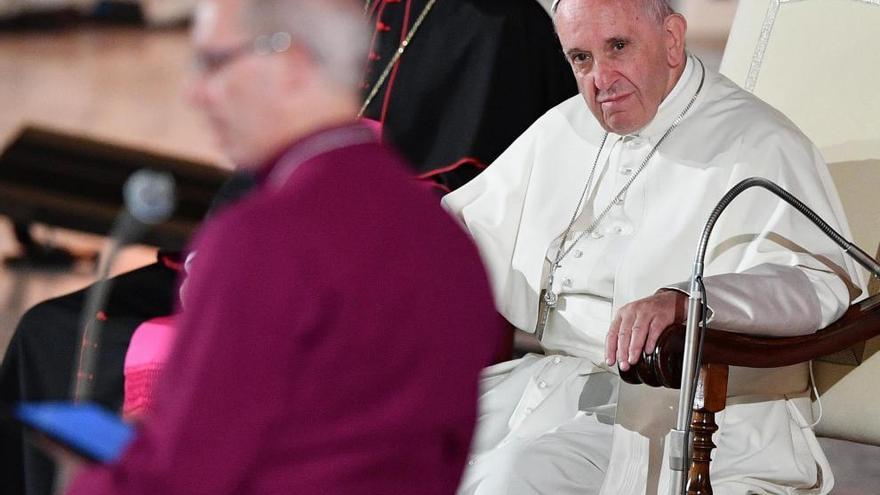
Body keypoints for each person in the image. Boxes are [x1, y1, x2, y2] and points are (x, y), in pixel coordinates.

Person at [0, 1, 575, 493]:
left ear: (292, 62)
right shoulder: (448, 245)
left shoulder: (265, 245)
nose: (193, 93)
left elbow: (184, 476)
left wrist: (91, 477)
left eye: (214, 63)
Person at [442, 0, 864, 493]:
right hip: (554, 384)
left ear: (671, 39)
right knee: (384, 439)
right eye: (581, 59)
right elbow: (458, 233)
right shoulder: (564, 126)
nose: (601, 79)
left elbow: (818, 284)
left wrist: (687, 300)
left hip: (689, 407)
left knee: (512, 479)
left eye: (618, 47)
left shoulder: (759, 141)